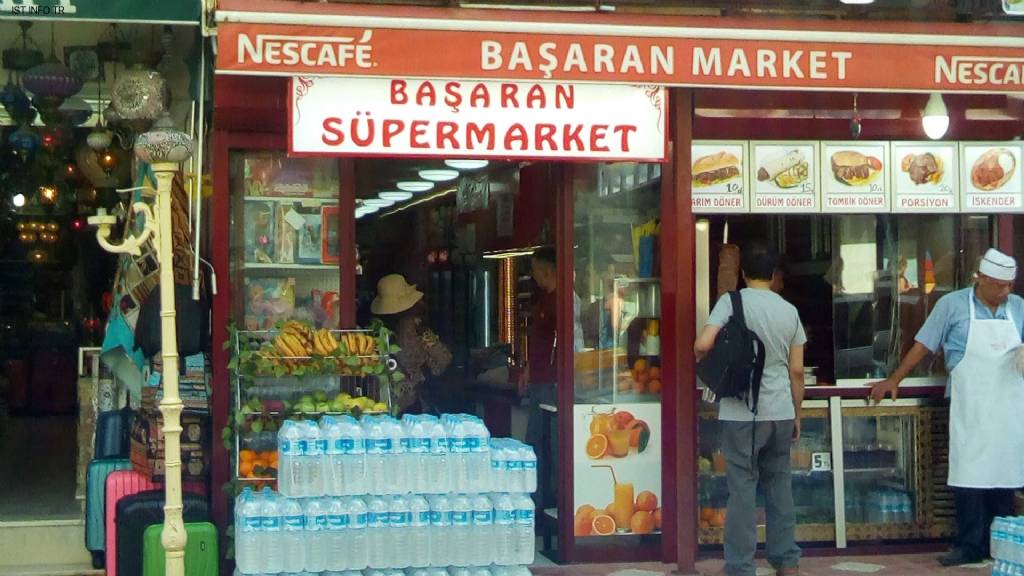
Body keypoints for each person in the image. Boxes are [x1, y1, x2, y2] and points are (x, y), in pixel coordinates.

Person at [869, 248, 1024, 567]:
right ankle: (969, 545)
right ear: (980, 279)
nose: (1004, 292)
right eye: (998, 285)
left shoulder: (1018, 308)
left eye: (1009, 286)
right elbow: (923, 345)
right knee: (969, 474)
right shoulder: (952, 305)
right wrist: (894, 379)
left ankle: (1002, 544)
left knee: (1005, 475)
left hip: (1010, 409)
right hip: (972, 406)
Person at [694, 242, 805, 576]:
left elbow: (702, 344)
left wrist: (711, 364)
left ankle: (741, 566)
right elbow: (797, 371)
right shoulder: (789, 311)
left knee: (742, 488)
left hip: (741, 413)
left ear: (743, 274)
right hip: (781, 411)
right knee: (779, 486)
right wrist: (796, 414)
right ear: (773, 276)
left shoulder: (731, 301)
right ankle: (786, 560)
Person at [371, 274, 452, 414]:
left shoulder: (375, 330)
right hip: (414, 404)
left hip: (384, 404)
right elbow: (444, 359)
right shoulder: (417, 327)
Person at [520, 246, 559, 510]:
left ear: (547, 271)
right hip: (540, 377)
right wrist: (528, 369)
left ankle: (550, 500)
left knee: (548, 442)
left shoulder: (562, 301)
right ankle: (538, 500)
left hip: (551, 380)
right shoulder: (545, 299)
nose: (533, 276)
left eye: (535, 271)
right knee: (536, 440)